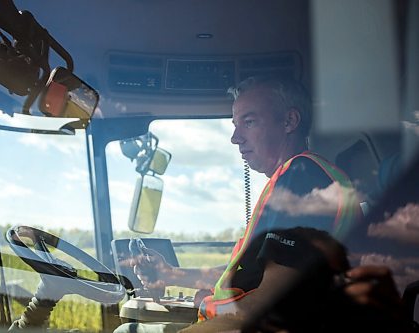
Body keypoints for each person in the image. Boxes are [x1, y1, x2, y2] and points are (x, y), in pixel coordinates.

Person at [114, 76, 363, 332]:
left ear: (289, 121)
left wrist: (209, 307)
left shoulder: (303, 177)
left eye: (249, 122)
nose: (235, 138)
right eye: (235, 125)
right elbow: (246, 277)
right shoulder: (300, 177)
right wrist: (170, 274)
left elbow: (272, 302)